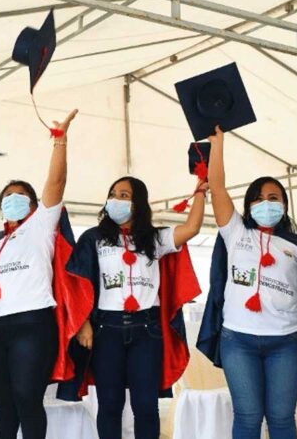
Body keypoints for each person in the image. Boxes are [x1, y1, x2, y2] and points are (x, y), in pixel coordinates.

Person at [197, 126, 297, 439]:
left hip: (288, 343)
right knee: (247, 417)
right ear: (248, 205)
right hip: (238, 342)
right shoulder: (235, 233)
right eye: (258, 199)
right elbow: (217, 189)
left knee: (282, 418)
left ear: (284, 205)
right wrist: (218, 144)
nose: (265, 204)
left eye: (273, 198)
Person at [63, 176, 205, 439]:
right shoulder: (93, 238)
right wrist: (83, 324)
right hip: (106, 329)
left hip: (147, 331)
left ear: (138, 202)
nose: (116, 200)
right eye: (113, 194)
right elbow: (76, 283)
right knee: (109, 405)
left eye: (125, 195)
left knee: (146, 407)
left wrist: (200, 192)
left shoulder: (155, 238)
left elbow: (193, 227)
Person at [0, 109, 80, 439]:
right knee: (3, 403)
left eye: (20, 196)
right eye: (7, 197)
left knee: (27, 398)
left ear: (35, 205)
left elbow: (56, 182)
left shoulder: (40, 228)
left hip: (32, 325)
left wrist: (59, 142)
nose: (12, 201)